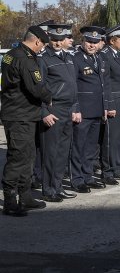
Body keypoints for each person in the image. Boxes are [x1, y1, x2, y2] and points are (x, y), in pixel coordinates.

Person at [1, 26, 53, 216]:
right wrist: (49, 97)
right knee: (18, 158)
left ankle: (25, 196)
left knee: (27, 156)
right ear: (37, 41)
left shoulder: (12, 53)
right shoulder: (25, 58)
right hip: (19, 115)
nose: (42, 49)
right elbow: (36, 87)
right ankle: (10, 201)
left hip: (21, 114)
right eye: (42, 45)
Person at [38, 24, 80, 202]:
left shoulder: (68, 58)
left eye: (60, 40)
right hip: (53, 110)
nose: (57, 43)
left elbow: (74, 86)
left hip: (68, 109)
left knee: (63, 152)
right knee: (51, 152)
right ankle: (48, 189)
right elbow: (38, 88)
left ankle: (58, 186)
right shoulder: (43, 59)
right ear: (49, 40)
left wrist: (76, 108)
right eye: (54, 39)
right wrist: (44, 111)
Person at [70, 26, 108, 191]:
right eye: (89, 41)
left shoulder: (99, 58)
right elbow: (72, 87)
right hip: (82, 111)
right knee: (78, 146)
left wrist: (105, 107)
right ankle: (77, 180)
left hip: (97, 110)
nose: (92, 45)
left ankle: (88, 175)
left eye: (95, 42)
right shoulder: (75, 59)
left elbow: (103, 86)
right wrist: (76, 108)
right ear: (82, 41)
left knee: (91, 147)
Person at [98, 25, 120, 183]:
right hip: (114, 103)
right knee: (110, 140)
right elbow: (105, 84)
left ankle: (118, 167)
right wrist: (109, 105)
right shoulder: (105, 55)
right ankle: (108, 171)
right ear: (112, 40)